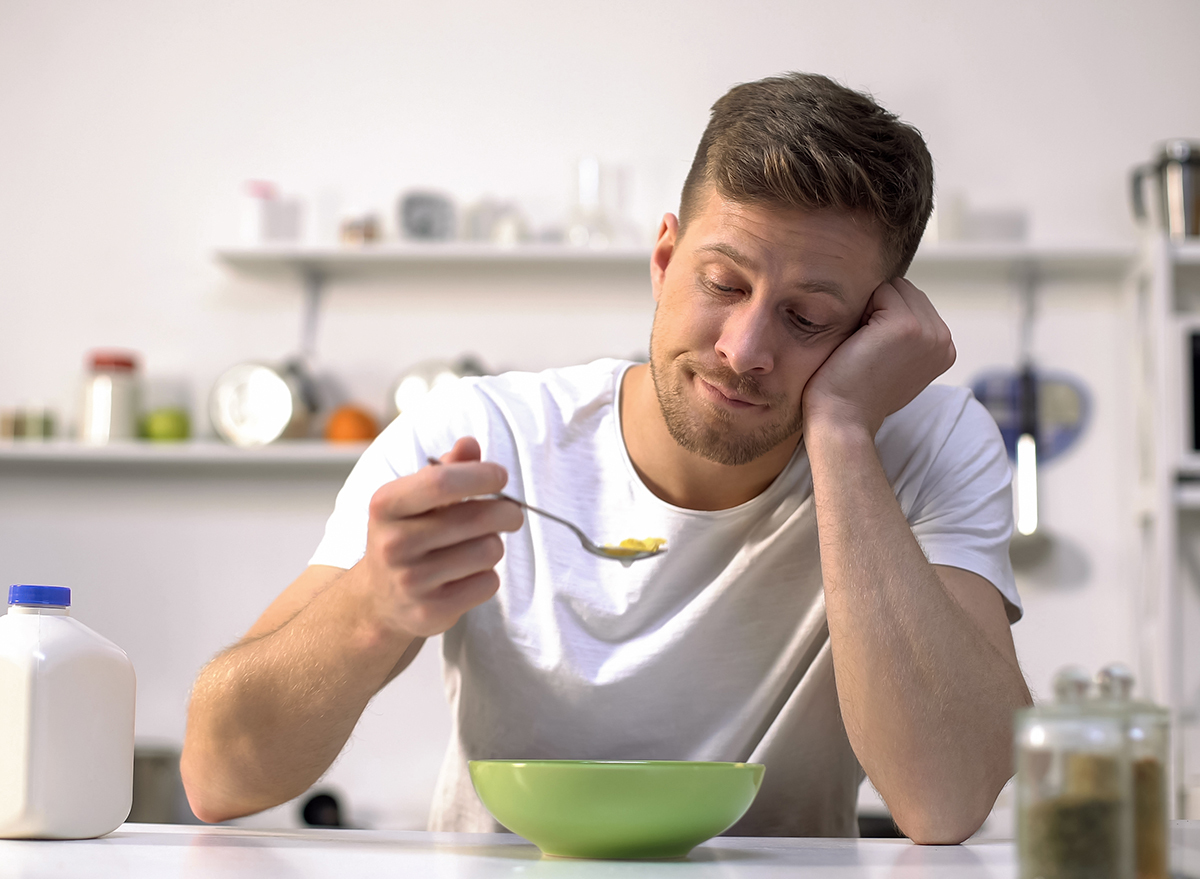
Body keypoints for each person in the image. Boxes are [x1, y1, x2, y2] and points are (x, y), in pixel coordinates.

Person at [181, 72, 1032, 843]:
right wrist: (373, 607)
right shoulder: (482, 435)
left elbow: (947, 800)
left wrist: (843, 429)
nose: (743, 348)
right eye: (723, 284)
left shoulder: (926, 443)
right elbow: (217, 777)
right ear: (664, 260)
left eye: (808, 316)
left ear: (872, 329)